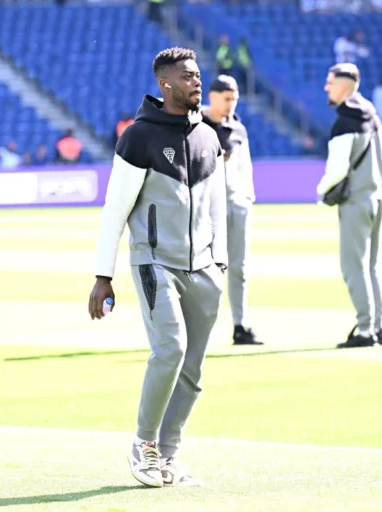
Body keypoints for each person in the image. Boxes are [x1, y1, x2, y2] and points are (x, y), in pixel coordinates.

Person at [88, 47, 226, 488]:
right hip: (154, 262)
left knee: (192, 371)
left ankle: (168, 456)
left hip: (204, 269)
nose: (196, 81)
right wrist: (103, 276)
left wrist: (220, 262)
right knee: (170, 350)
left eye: (198, 74)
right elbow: (114, 211)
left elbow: (217, 207)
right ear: (165, 84)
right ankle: (143, 445)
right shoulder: (138, 137)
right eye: (187, 76)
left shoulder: (209, 137)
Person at [317, 63, 382, 349]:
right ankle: (378, 327)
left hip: (356, 200)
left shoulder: (344, 121)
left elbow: (337, 169)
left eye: (331, 82)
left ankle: (365, 330)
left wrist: (321, 193)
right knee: (372, 267)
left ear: (344, 86)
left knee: (352, 267)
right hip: (378, 196)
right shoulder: (372, 114)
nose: (326, 87)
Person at [201, 75, 262, 346]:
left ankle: (241, 325)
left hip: (236, 205)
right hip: (205, 208)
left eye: (234, 99)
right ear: (212, 97)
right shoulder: (196, 124)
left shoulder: (238, 128)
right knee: (203, 269)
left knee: (239, 268)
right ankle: (199, 327)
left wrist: (248, 197)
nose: (231, 105)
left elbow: (244, 166)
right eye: (227, 99)